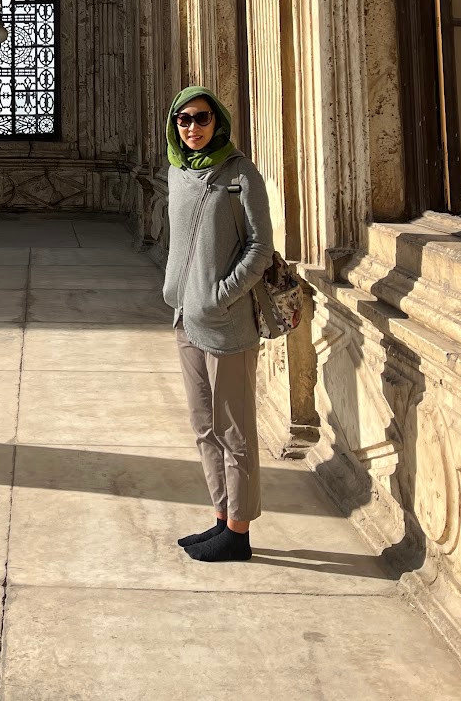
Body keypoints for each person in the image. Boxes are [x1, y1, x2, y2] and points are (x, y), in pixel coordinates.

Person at [162, 84, 274, 562]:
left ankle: (240, 533)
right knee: (203, 426)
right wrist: (180, 295)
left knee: (235, 432)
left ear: (219, 121)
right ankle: (221, 518)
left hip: (227, 325)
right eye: (183, 120)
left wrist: (221, 296)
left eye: (202, 118)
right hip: (186, 319)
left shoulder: (241, 174)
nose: (192, 128)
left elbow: (259, 248)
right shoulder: (177, 173)